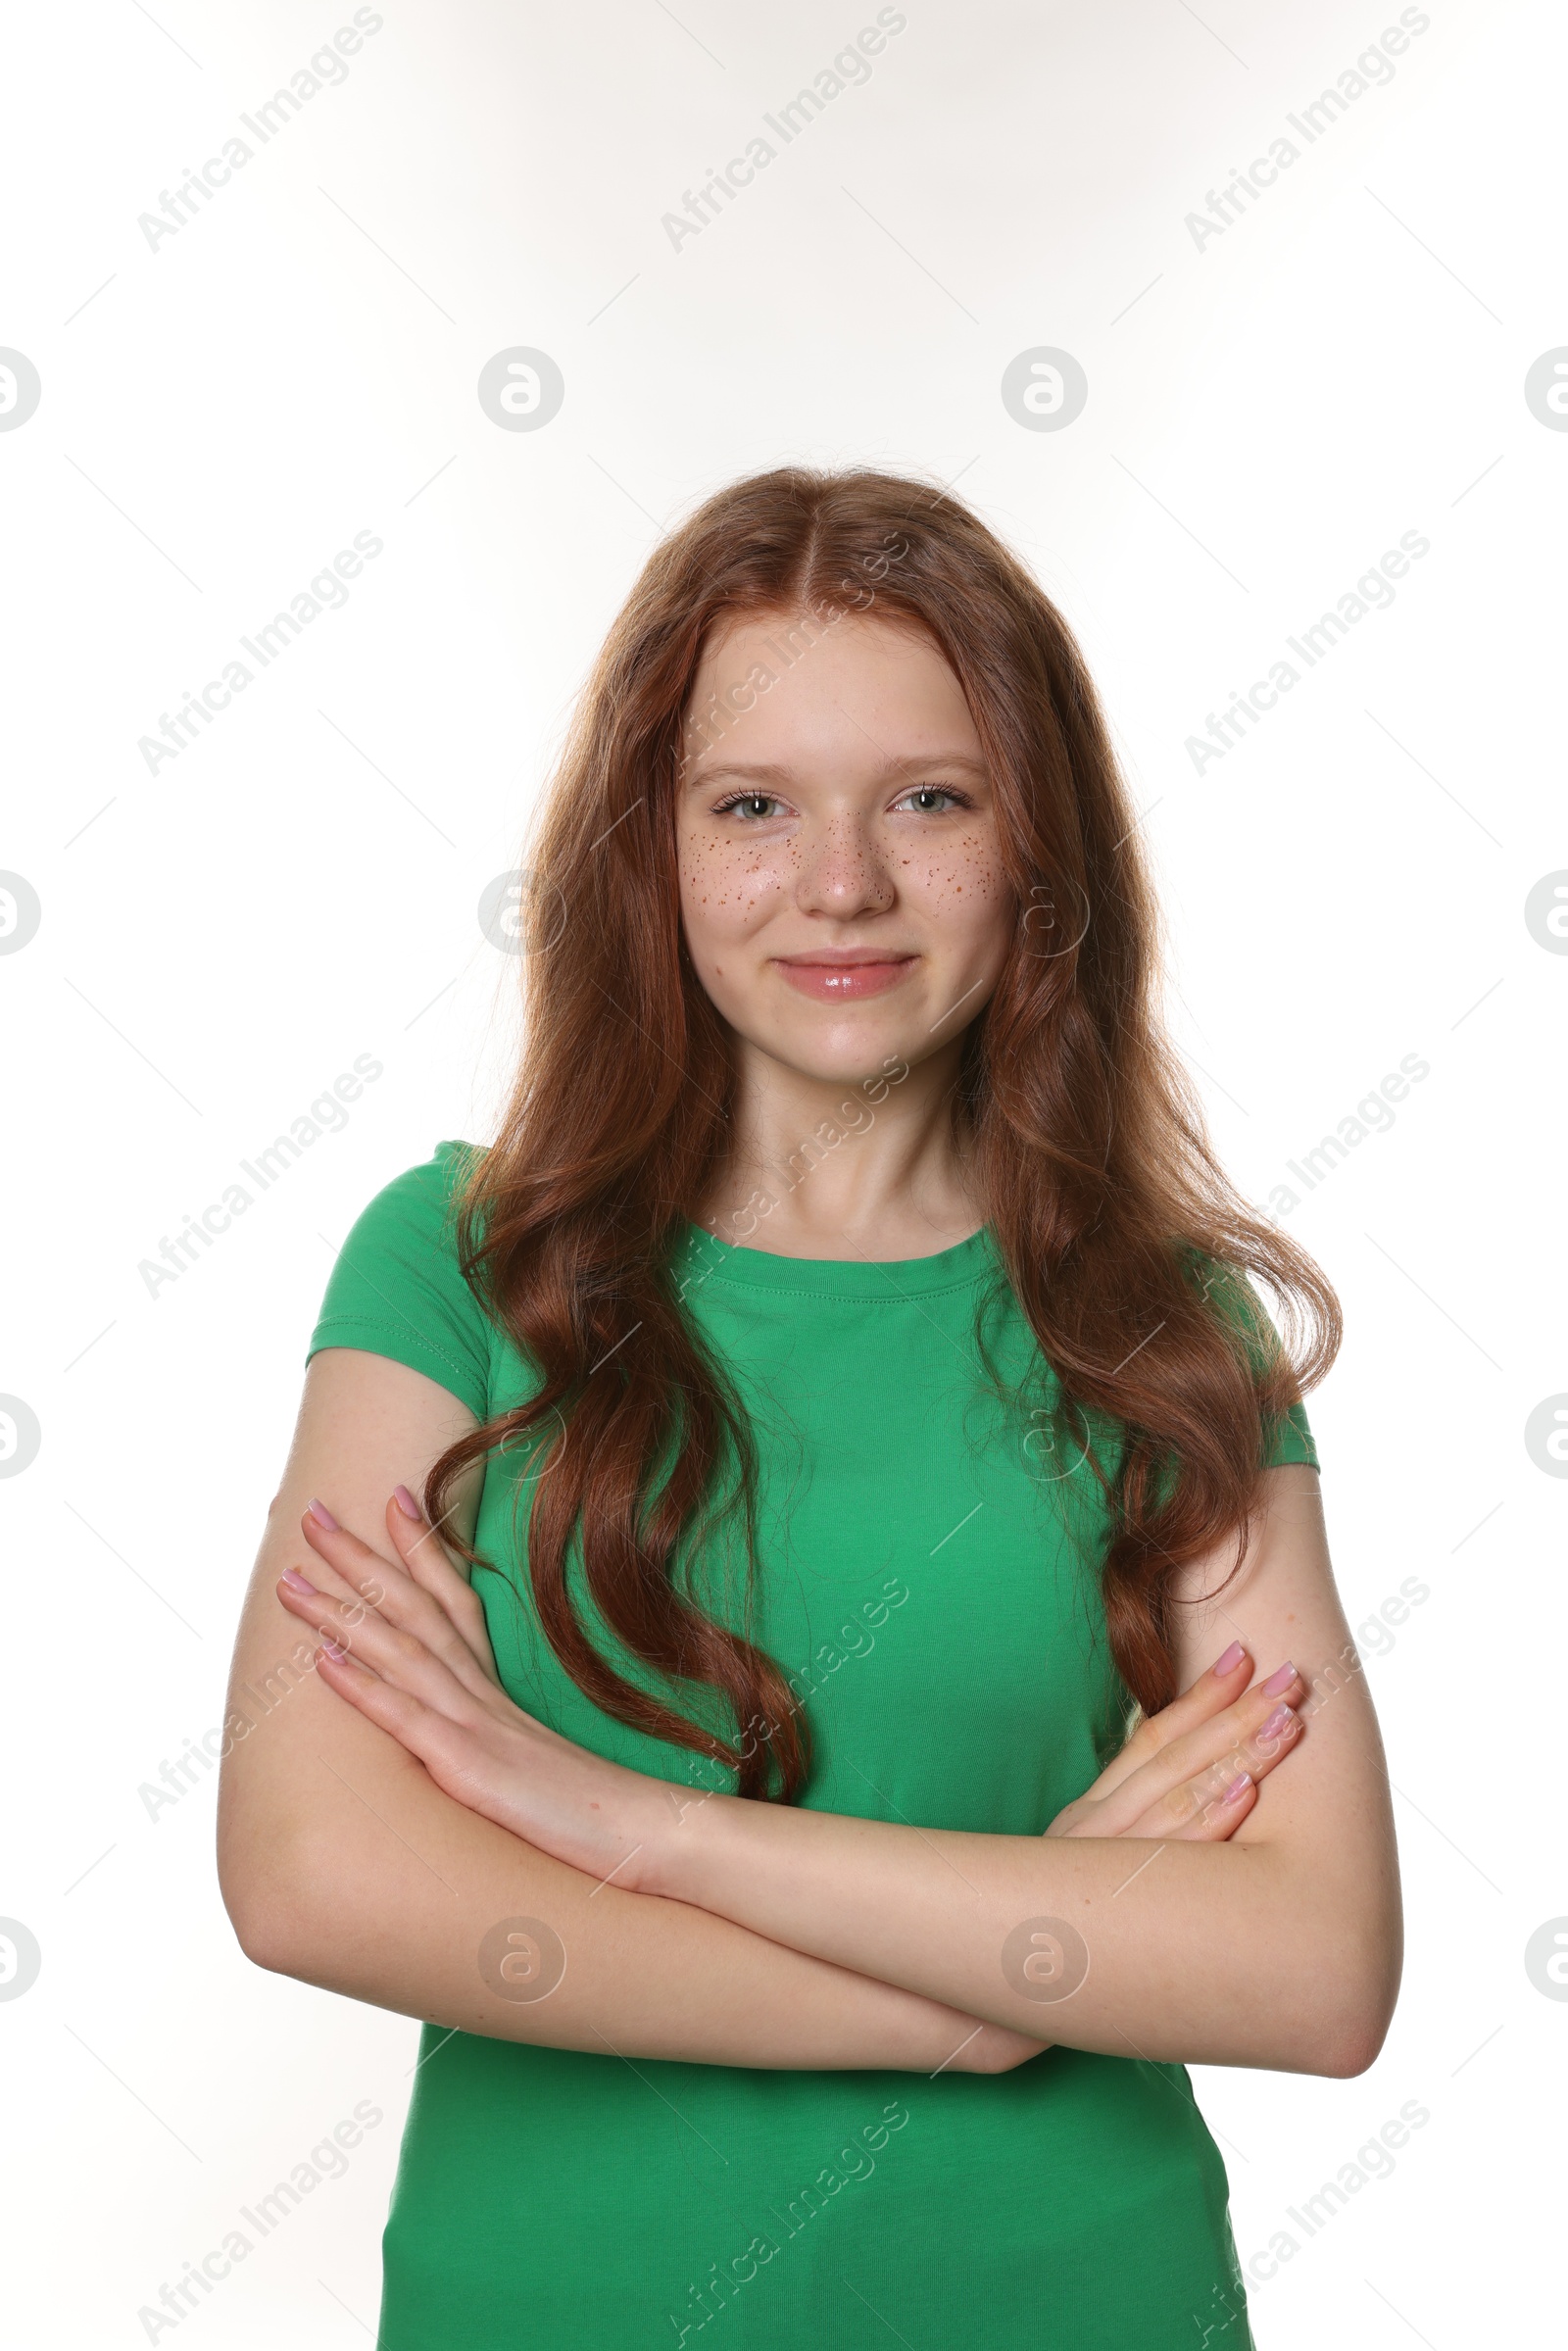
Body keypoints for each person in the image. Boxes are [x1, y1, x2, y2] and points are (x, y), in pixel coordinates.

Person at [217, 465, 1401, 2350]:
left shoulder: (1156, 1325)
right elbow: (317, 1877)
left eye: (930, 799)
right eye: (751, 807)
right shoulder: (452, 1271)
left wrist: (635, 1828)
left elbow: (1315, 1970)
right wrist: (990, 1985)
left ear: (1037, 847)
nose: (839, 884)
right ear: (652, 849)